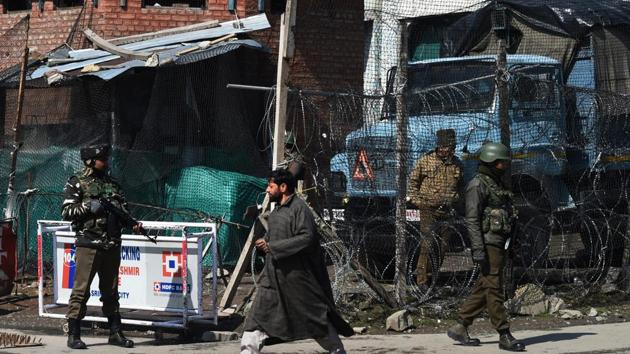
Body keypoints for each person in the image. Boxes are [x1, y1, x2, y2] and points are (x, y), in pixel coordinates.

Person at [241, 169, 354, 354]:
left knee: (317, 322)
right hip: (272, 281)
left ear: (283, 187)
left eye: (271, 186)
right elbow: (274, 240)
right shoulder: (276, 212)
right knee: (255, 323)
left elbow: (306, 238)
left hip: (297, 282)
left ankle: (337, 350)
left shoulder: (300, 209)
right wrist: (264, 245)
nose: (268, 190)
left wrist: (274, 247)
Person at [62, 144, 142, 349]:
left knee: (111, 291)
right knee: (81, 291)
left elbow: (123, 211)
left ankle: (116, 333)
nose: (105, 162)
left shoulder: (113, 184)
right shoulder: (77, 182)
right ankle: (74, 334)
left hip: (112, 245)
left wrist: (132, 223)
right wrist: (88, 207)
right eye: (101, 159)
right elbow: (66, 212)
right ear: (90, 161)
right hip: (89, 244)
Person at [447, 142, 525, 352]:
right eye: (500, 163)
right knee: (494, 289)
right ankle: (503, 333)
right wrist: (478, 250)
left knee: (486, 286)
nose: (504, 167)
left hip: (499, 242)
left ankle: (461, 326)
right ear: (491, 163)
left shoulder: (494, 183)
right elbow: (472, 220)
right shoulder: (478, 185)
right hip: (488, 244)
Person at [408, 129, 464, 286]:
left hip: (448, 210)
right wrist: (418, 202)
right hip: (429, 209)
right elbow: (412, 183)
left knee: (442, 246)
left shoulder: (457, 163)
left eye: (452, 147)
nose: (449, 150)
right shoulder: (426, 161)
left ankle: (434, 276)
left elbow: (461, 185)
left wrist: (457, 200)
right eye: (446, 147)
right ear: (439, 146)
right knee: (427, 244)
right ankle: (421, 280)